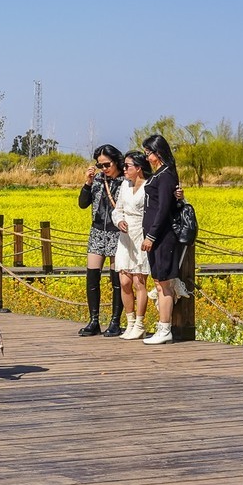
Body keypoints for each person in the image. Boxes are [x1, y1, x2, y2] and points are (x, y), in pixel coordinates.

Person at [76, 144, 125, 336]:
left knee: (117, 280)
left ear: (116, 162)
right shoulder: (97, 180)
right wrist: (87, 183)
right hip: (97, 232)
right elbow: (82, 204)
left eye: (107, 165)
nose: (104, 169)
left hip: (117, 233)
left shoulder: (125, 181)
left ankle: (115, 322)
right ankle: (94, 320)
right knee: (92, 277)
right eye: (100, 165)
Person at [141, 133, 181, 345]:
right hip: (156, 237)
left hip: (162, 237)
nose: (147, 158)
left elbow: (164, 208)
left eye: (149, 153)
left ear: (159, 153)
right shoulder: (161, 174)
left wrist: (151, 235)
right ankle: (162, 327)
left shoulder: (166, 175)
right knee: (158, 282)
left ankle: (165, 328)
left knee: (164, 284)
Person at [113, 150, 152, 340]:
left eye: (128, 166)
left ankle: (140, 323)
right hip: (125, 236)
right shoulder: (124, 185)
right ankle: (129, 323)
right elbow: (117, 209)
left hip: (140, 235)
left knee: (139, 282)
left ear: (138, 168)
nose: (124, 169)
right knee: (124, 281)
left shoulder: (149, 186)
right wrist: (119, 220)